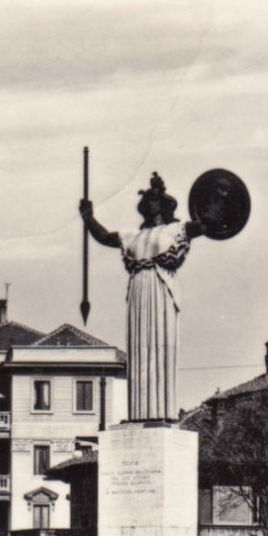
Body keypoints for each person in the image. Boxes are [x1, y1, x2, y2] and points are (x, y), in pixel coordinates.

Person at [81, 173, 212, 422]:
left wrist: (216, 203)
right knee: (140, 345)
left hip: (161, 288)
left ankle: (162, 411)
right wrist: (89, 218)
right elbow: (105, 236)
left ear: (163, 204)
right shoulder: (133, 236)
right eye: (148, 200)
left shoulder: (177, 230)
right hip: (139, 290)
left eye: (155, 199)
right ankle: (140, 413)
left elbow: (206, 225)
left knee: (161, 342)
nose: (150, 204)